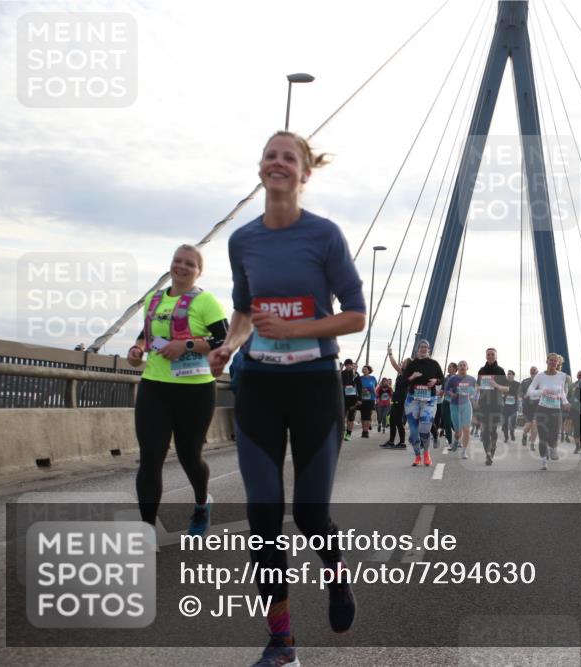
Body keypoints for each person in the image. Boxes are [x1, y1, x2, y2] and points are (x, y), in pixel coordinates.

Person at [207, 130, 365, 667]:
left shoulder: (324, 236)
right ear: (261, 169)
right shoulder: (242, 240)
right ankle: (282, 643)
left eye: (288, 157)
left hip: (316, 384)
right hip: (260, 387)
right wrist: (228, 346)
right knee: (264, 515)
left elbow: (356, 315)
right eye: (270, 156)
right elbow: (246, 311)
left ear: (304, 173)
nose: (278, 163)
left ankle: (339, 581)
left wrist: (298, 331)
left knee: (310, 512)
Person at [127, 244, 228, 536]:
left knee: (189, 457)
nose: (181, 267)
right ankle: (146, 530)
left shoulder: (206, 302)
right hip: (155, 387)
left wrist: (184, 345)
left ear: (199, 272)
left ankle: (201, 503)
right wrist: (138, 348)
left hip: (194, 391)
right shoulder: (153, 299)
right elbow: (146, 333)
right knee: (150, 458)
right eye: (177, 261)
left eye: (189, 264)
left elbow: (223, 340)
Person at [525, 352, 570, 470]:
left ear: (558, 363)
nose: (553, 362)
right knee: (543, 436)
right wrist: (541, 392)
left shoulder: (562, 376)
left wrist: (565, 402)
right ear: (547, 361)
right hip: (542, 409)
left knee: (554, 435)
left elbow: (562, 392)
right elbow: (530, 391)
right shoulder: (539, 376)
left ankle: (552, 448)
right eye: (551, 360)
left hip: (556, 409)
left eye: (555, 361)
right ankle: (543, 461)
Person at [404, 339, 445, 466]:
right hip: (413, 399)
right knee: (414, 431)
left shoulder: (434, 364)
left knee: (425, 426)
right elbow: (404, 381)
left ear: (429, 350)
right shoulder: (412, 364)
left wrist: (435, 381)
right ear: (417, 349)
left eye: (425, 347)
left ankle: (426, 452)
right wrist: (413, 377)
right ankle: (417, 456)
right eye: (421, 347)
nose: (423, 349)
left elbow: (442, 379)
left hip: (429, 400)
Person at [476, 348, 512, 465]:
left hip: (496, 405)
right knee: (485, 430)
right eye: (488, 354)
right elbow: (477, 386)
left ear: (496, 356)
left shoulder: (500, 370)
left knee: (493, 430)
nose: (490, 356)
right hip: (483, 404)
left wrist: (496, 385)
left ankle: (493, 447)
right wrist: (476, 393)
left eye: (492, 354)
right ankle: (488, 454)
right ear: (486, 356)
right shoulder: (481, 370)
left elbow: (507, 388)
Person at [445, 360, 477, 458]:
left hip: (466, 405)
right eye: (460, 365)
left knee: (466, 429)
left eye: (464, 365)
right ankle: (456, 440)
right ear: (457, 368)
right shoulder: (452, 379)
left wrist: (473, 394)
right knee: (458, 432)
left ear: (467, 367)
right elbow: (446, 390)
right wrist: (452, 394)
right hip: (455, 406)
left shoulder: (471, 379)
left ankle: (463, 452)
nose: (462, 367)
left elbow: (476, 391)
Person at [384, 348, 409, 449]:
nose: (402, 362)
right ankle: (391, 441)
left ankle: (402, 443)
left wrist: (390, 354)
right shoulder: (403, 373)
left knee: (398, 421)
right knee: (393, 421)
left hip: (400, 400)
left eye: (404, 362)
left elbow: (394, 364)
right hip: (397, 400)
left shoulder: (406, 373)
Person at [519, 366, 539, 450]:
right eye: (532, 371)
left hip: (538, 406)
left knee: (535, 424)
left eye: (535, 371)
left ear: (538, 372)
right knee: (528, 425)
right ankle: (524, 434)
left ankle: (532, 443)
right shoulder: (525, 381)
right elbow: (519, 392)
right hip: (527, 406)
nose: (533, 372)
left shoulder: (541, 382)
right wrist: (524, 395)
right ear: (530, 372)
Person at [341, 359, 361, 441]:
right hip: (343, 399)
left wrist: (360, 399)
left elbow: (359, 387)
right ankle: (342, 433)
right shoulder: (341, 374)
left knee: (351, 417)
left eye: (350, 364)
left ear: (352, 365)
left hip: (353, 400)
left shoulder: (356, 375)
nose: (348, 366)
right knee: (342, 417)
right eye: (347, 365)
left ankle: (348, 434)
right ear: (345, 365)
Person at [357, 365, 378, 438]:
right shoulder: (360, 378)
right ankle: (364, 431)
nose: (364, 370)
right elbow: (357, 388)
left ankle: (366, 431)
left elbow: (376, 387)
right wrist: (362, 390)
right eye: (363, 369)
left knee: (368, 415)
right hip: (362, 399)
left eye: (365, 369)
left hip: (371, 399)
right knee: (363, 415)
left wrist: (376, 396)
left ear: (369, 370)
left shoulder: (373, 378)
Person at [502, 369, 519, 442]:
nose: (508, 375)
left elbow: (515, 391)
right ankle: (506, 437)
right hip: (505, 406)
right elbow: (501, 391)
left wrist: (507, 390)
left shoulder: (517, 384)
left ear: (513, 375)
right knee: (505, 422)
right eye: (508, 374)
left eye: (510, 374)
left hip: (514, 405)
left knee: (512, 421)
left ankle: (512, 433)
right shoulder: (504, 383)